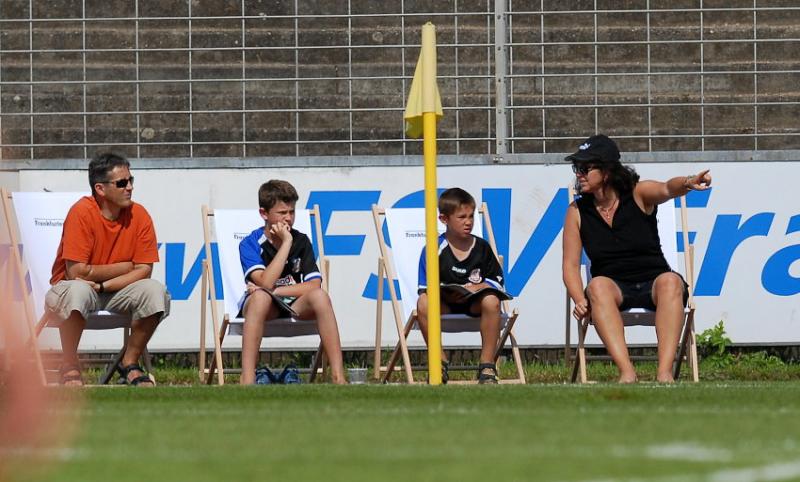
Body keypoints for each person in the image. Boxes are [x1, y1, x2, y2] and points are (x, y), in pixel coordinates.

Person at [562, 134, 711, 383]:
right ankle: (627, 372)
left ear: (607, 171)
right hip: (613, 286)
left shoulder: (638, 193)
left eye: (585, 168)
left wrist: (688, 182)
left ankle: (664, 373)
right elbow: (570, 265)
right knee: (596, 286)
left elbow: (667, 188)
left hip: (653, 280)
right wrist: (579, 299)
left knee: (671, 281)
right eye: (577, 167)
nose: (579, 174)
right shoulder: (576, 211)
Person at [46, 152, 170, 386]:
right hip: (73, 289)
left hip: (112, 291)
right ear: (100, 189)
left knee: (155, 291)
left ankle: (129, 363)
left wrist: (103, 284)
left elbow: (144, 271)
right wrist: (125, 266)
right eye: (121, 183)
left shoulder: (140, 215)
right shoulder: (81, 212)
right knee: (78, 291)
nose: (129, 187)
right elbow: (77, 273)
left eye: (131, 180)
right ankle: (69, 364)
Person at [237, 180, 346, 385]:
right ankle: (248, 379)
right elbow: (265, 283)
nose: (288, 218)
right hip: (263, 306)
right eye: (282, 213)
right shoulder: (250, 243)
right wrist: (286, 243)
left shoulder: (301, 240)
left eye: (292, 212)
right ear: (264, 213)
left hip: (292, 303)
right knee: (260, 298)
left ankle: (338, 377)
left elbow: (313, 285)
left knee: (321, 297)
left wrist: (276, 291)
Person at [416, 188, 507, 384]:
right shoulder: (434, 249)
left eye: (471, 216)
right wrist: (448, 292)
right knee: (423, 302)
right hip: (446, 305)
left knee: (492, 300)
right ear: (444, 219)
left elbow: (497, 281)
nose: (468, 222)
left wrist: (478, 287)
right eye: (462, 217)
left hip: (475, 305)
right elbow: (425, 287)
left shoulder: (482, 247)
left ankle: (487, 366)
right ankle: (438, 362)